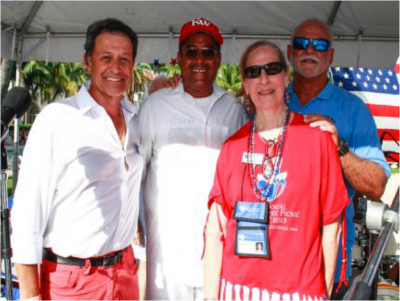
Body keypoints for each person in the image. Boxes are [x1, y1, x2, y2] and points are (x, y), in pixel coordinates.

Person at [204, 40, 349, 301]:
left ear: (286, 76)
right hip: (238, 290)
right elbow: (216, 230)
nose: (263, 79)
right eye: (253, 72)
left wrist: (325, 294)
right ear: (245, 85)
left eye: (271, 69)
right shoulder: (231, 147)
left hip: (299, 292)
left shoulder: (318, 140)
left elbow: (332, 227)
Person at [11, 18, 144, 301]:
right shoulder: (58, 119)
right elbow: (26, 217)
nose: (116, 68)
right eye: (106, 58)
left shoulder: (138, 120)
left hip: (125, 274)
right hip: (72, 282)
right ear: (87, 62)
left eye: (124, 59)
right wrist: (30, 296)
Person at [139, 17, 248, 301]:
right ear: (179, 58)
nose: (200, 59)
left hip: (219, 253)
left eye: (208, 51)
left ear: (219, 59)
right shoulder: (155, 105)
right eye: (192, 51)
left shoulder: (233, 109)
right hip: (167, 256)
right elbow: (135, 171)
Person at [286, 18, 390, 298]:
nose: (310, 49)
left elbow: (376, 185)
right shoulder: (268, 98)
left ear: (330, 55)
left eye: (320, 44)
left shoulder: (353, 109)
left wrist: (339, 147)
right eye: (301, 43)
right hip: (273, 255)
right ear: (289, 52)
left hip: (326, 257)